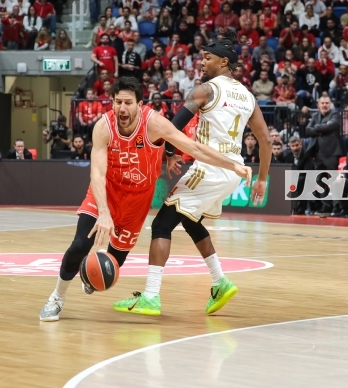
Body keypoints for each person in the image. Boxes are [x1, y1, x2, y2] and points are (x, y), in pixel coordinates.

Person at [39, 76, 252, 321]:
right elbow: (97, 173)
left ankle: (92, 275)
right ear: (112, 102)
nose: (122, 108)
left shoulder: (154, 124)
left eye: (128, 103)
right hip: (106, 193)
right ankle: (57, 297)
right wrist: (104, 213)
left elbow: (193, 148)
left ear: (140, 105)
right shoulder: (103, 127)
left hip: (136, 202)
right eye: (118, 102)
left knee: (114, 262)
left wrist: (232, 165)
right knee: (80, 245)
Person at [112, 31, 272, 316]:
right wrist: (261, 179)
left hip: (210, 168)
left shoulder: (206, 90)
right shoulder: (248, 96)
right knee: (190, 220)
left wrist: (169, 151)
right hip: (232, 170)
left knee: (161, 225)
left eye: (207, 58)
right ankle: (220, 282)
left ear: (223, 62)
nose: (202, 62)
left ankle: (151, 296)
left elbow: (173, 126)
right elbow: (266, 141)